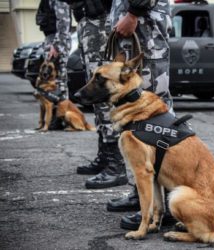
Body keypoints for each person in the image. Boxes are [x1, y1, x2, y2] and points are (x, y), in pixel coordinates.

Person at [106, 0, 175, 230]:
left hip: (144, 23)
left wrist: (134, 12)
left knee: (154, 113)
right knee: (136, 122)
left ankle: (164, 206)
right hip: (134, 24)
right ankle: (142, 195)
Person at [59, 0, 129, 189]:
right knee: (95, 96)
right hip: (86, 22)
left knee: (102, 92)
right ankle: (105, 156)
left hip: (100, 21)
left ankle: (116, 165)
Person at [35, 0, 71, 129]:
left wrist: (56, 45)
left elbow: (63, 22)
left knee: (60, 83)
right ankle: (53, 119)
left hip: (57, 42)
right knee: (52, 84)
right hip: (51, 39)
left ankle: (60, 119)